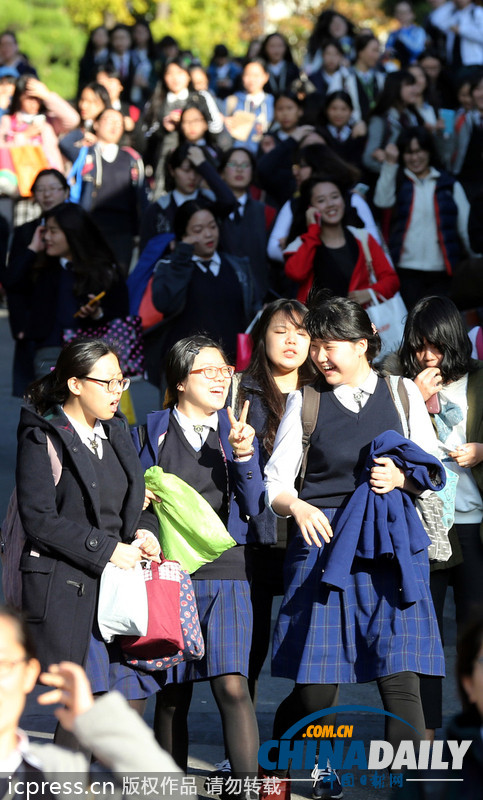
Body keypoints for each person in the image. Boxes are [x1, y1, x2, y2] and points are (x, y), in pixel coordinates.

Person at [264, 293, 445, 798]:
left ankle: (404, 785)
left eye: (330, 345)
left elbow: (433, 471)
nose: (319, 356)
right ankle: (306, 767)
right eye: (314, 345)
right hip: (324, 548)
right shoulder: (307, 401)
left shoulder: (404, 393)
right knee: (316, 684)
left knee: (401, 677)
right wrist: (297, 507)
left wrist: (403, 478)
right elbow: (274, 484)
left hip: (390, 547)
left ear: (363, 343)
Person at [16, 339, 163, 745]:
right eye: (108, 383)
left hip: (124, 590)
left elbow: (137, 502)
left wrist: (145, 530)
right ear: (76, 384)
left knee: (131, 701)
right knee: (86, 707)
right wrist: (109, 549)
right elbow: (39, 520)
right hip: (72, 590)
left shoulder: (117, 431)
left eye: (122, 381)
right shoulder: (42, 434)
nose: (118, 392)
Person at [133, 335, 265, 779]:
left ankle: (247, 788)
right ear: (180, 380)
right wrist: (142, 519)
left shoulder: (236, 434)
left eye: (224, 369)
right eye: (206, 370)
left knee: (233, 684)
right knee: (173, 694)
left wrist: (246, 456)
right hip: (170, 574)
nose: (220, 378)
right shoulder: (151, 431)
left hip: (229, 571)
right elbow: (136, 504)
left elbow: (255, 506)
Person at [397, 295, 483, 739]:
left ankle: (473, 730)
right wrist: (415, 395)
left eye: (436, 345)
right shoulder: (400, 386)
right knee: (424, 639)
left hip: (473, 527)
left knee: (475, 639)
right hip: (426, 527)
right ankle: (426, 735)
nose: (428, 356)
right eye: (419, 347)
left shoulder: (478, 381)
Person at [235, 300, 315, 704]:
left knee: (315, 657)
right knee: (249, 651)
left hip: (311, 533)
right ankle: (244, 753)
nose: (291, 341)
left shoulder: (325, 391)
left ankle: (296, 751)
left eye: (301, 333)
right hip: (255, 534)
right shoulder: (239, 392)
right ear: (262, 336)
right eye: (281, 331)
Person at [0, 607, 182, 783]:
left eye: (3, 665)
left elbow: (166, 791)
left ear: (29, 672)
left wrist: (96, 722)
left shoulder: (49, 773)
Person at [4, 203, 128, 378]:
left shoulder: (103, 269)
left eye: (53, 231)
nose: (47, 237)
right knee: (52, 405)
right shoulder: (41, 266)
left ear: (72, 233)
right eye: (45, 231)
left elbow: (121, 311)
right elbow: (11, 282)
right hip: (49, 352)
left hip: (92, 354)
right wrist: (32, 248)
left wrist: (97, 312)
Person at [151, 201, 258, 390]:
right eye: (198, 230)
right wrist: (182, 254)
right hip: (190, 370)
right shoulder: (170, 267)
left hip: (234, 367)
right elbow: (165, 303)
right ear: (184, 235)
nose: (208, 234)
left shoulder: (238, 266)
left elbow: (251, 308)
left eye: (212, 226)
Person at [374, 126, 471, 307]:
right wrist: (390, 164)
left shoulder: (448, 184)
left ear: (429, 151)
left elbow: (465, 227)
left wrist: (474, 255)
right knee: (411, 325)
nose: (415, 158)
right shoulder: (398, 180)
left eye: (419, 151)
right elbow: (382, 201)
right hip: (405, 270)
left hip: (442, 270)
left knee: (438, 327)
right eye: (409, 152)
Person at [1, 169, 69, 396]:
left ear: (66, 192)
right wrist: (19, 325)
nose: (47, 195)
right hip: (35, 323)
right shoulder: (26, 231)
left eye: (52, 189)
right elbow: (13, 282)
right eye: (41, 190)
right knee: (40, 398)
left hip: (73, 320)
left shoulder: (79, 226)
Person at [284, 176, 399, 304]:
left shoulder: (362, 238)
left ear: (343, 201)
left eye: (335, 197)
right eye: (321, 200)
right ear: (311, 208)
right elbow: (296, 273)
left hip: (358, 321)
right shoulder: (304, 244)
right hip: (318, 322)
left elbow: (391, 279)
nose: (330, 204)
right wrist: (313, 230)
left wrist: (370, 293)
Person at [71, 107, 146, 276]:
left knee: (118, 278)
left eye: (119, 123)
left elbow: (140, 197)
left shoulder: (131, 158)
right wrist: (86, 131)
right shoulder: (87, 152)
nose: (114, 126)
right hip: (92, 225)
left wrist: (138, 231)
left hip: (122, 229)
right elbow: (65, 144)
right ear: (97, 124)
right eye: (109, 121)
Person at [138, 143, 236, 254]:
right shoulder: (157, 210)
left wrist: (203, 165)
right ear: (172, 170)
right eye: (186, 170)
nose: (192, 177)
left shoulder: (209, 203)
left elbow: (229, 201)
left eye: (197, 171)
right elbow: (146, 254)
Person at [218, 146, 276, 304]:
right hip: (221, 297)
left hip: (260, 300)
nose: (239, 170)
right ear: (221, 173)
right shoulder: (210, 212)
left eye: (245, 165)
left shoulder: (267, 212)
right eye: (233, 165)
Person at [362, 70, 422, 176]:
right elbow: (368, 159)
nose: (414, 90)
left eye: (414, 85)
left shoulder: (411, 117)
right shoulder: (380, 120)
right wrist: (393, 171)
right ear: (395, 88)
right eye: (408, 85)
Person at [328, 33, 386, 123]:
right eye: (374, 50)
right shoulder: (342, 77)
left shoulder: (380, 78)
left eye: (378, 51)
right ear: (360, 52)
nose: (377, 55)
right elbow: (331, 105)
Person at [223, 59, 275, 154]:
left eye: (256, 75)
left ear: (266, 77)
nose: (252, 79)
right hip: (237, 153)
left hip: (265, 154)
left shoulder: (273, 101)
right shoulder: (232, 100)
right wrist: (225, 123)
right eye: (247, 74)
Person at [59, 82, 111, 164]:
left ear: (103, 104)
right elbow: (65, 144)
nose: (83, 105)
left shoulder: (109, 131)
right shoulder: (73, 126)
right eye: (82, 99)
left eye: (91, 102)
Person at [317, 91, 367, 170]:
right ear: (326, 110)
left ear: (351, 111)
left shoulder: (358, 134)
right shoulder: (319, 134)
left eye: (344, 109)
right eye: (334, 108)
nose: (338, 113)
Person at [385, 1, 427, 68]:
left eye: (404, 13)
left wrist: (403, 32)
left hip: (414, 68)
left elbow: (417, 50)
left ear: (412, 14)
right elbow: (388, 51)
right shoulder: (393, 34)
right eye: (398, 12)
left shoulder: (418, 31)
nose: (401, 16)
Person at [77, 26, 109, 96]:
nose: (99, 38)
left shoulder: (111, 57)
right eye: (97, 35)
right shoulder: (86, 58)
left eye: (102, 35)